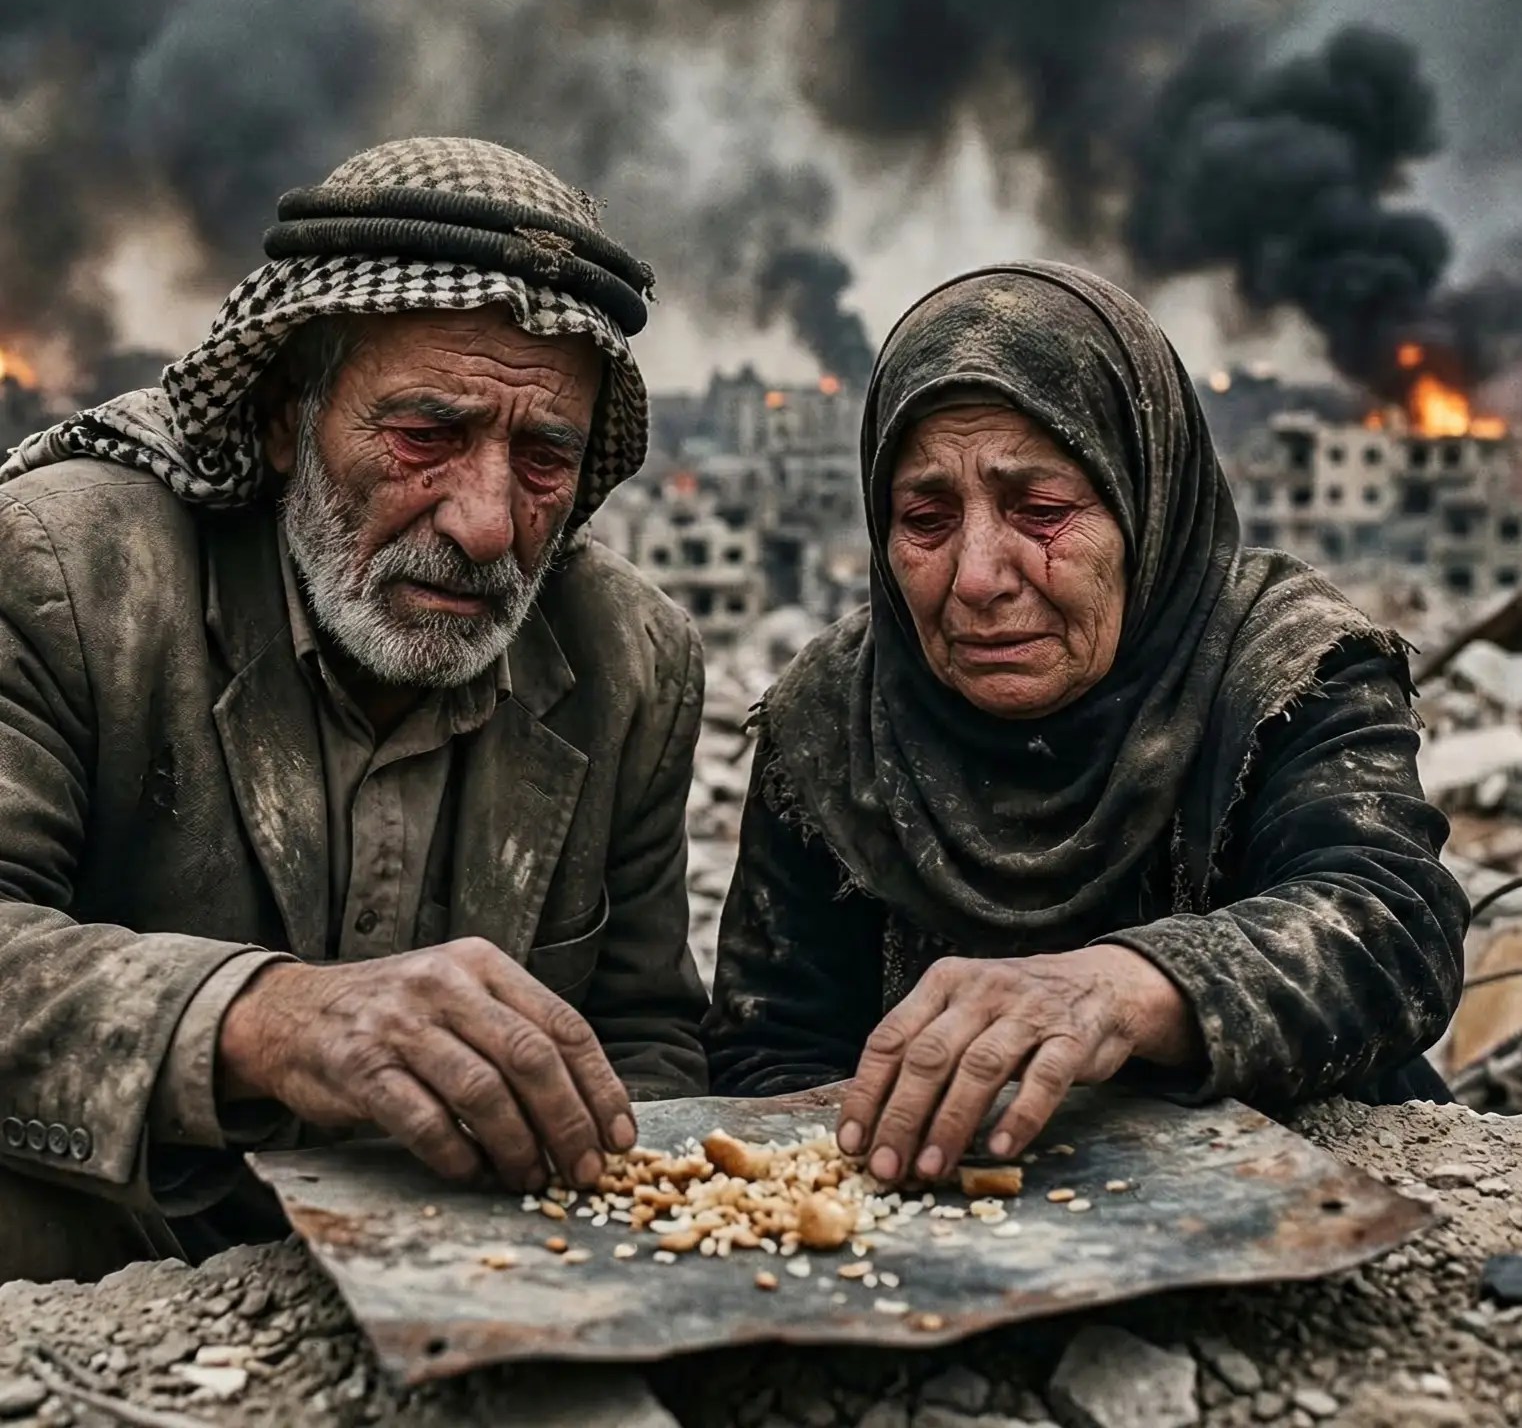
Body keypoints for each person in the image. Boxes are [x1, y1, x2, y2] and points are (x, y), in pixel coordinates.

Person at [0, 137, 709, 1281]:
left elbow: (648, 1041)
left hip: (474, 1277)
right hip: (108, 1245)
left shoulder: (631, 664)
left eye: (543, 459)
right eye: (426, 435)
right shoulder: (67, 571)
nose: (485, 524)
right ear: (287, 418)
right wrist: (268, 1019)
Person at [704, 262, 1466, 1187]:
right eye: (927, 518)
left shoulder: (1284, 666)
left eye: (1042, 511)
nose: (980, 577)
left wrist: (1125, 988)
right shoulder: (832, 720)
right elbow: (770, 1051)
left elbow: (1387, 923)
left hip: (1299, 1199)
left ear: (1144, 502)